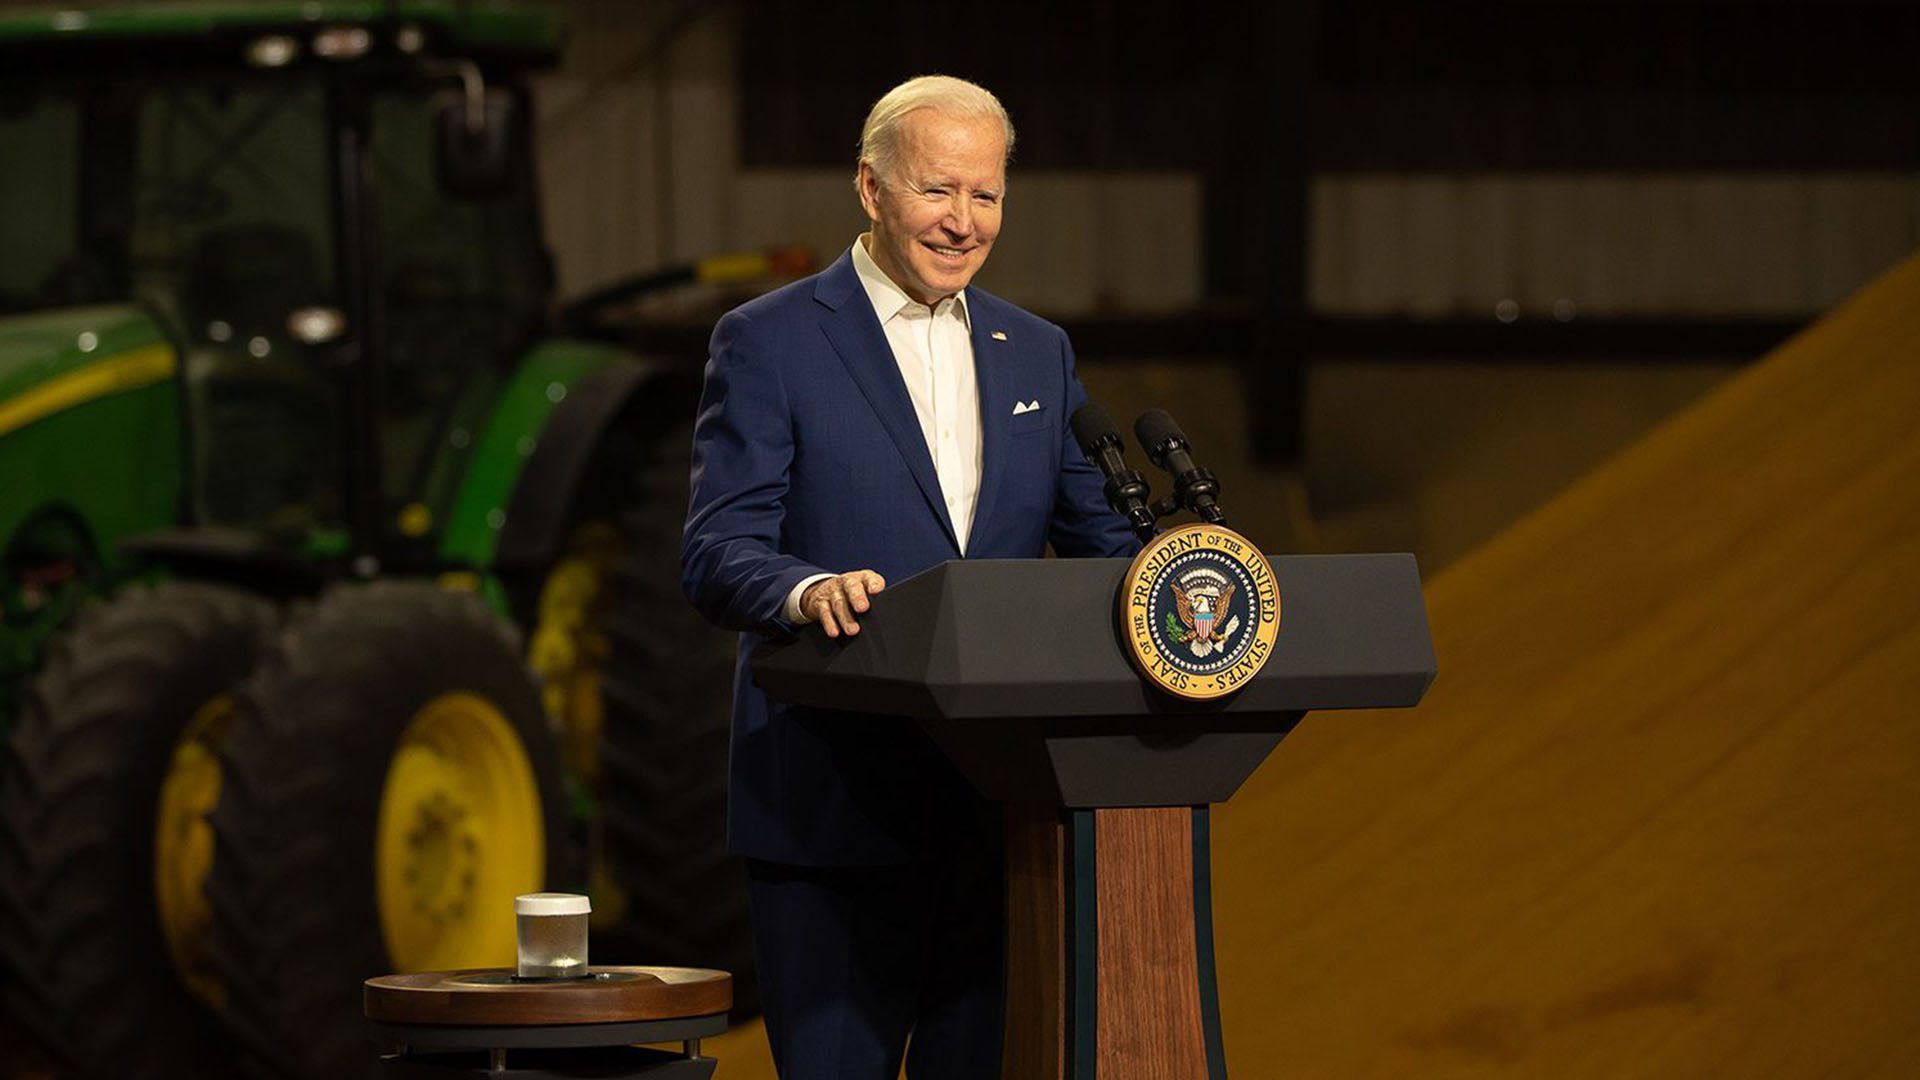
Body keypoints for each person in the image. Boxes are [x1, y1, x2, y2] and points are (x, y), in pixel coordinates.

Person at [681, 74, 1139, 1079]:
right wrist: (807, 591)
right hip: (830, 807)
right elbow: (717, 549)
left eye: (986, 196)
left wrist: (1189, 583)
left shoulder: (1040, 353)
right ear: (871, 188)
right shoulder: (768, 341)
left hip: (999, 813)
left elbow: (1105, 543)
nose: (964, 222)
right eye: (940, 191)